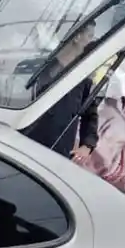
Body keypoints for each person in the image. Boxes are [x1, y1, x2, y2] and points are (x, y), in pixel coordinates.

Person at [22, 22, 100, 164]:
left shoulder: (83, 78)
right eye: (89, 36)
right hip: (23, 148)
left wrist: (87, 145)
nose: (91, 41)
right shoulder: (39, 68)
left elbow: (90, 114)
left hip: (58, 153)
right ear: (77, 37)